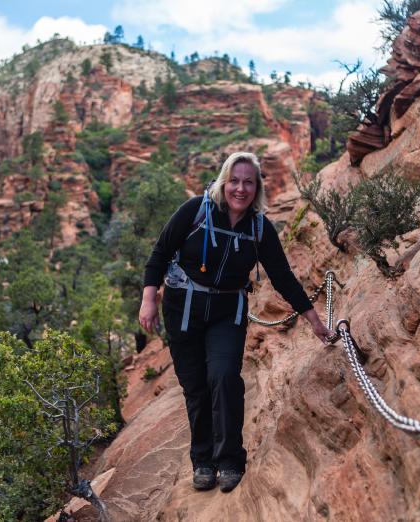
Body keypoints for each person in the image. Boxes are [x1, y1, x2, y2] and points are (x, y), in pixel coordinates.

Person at [139, 151, 333, 493]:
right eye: (234, 181)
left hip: (228, 311)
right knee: (196, 387)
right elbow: (160, 251)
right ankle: (202, 461)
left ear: (256, 187)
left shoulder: (259, 227)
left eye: (248, 182)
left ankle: (229, 460)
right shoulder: (196, 210)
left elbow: (282, 276)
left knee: (225, 378)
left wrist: (313, 318)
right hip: (183, 307)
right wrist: (148, 298)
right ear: (224, 181)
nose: (240, 189)